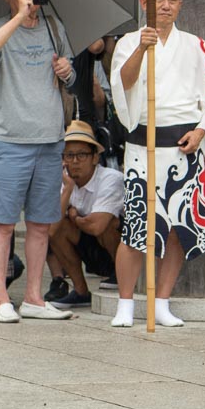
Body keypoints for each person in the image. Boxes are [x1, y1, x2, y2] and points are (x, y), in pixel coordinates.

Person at [109, 0, 205, 329]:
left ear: (180, 4)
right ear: (144, 3)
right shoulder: (130, 42)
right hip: (143, 145)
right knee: (136, 227)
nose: (165, 5)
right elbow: (122, 85)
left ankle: (162, 301)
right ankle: (125, 304)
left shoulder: (196, 45)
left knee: (177, 227)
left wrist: (202, 130)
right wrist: (144, 49)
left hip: (183, 144)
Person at [0, 0, 76, 324]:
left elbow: (72, 73)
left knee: (40, 224)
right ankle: (0, 298)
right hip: (10, 139)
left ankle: (33, 296)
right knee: (2, 223)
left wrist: (66, 69)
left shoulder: (54, 27)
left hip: (50, 138)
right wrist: (18, 16)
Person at [47, 120, 123, 308]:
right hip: (89, 248)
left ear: (95, 157)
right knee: (58, 228)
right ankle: (81, 292)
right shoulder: (64, 180)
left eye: (81, 155)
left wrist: (74, 217)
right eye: (69, 155)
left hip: (118, 248)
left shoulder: (110, 178)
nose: (74, 161)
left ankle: (120, 274)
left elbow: (97, 225)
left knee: (107, 221)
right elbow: (50, 230)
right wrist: (67, 190)